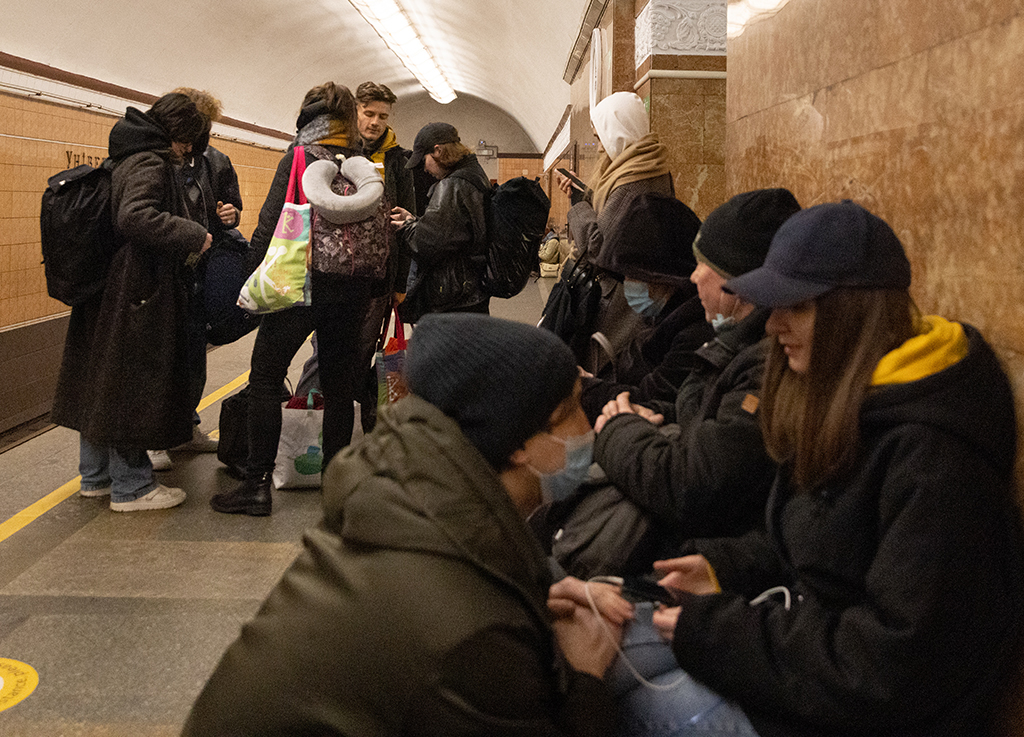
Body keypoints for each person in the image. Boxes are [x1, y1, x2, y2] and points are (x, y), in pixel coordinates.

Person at [616, 201, 1024, 736]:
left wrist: (724, 633)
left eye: (797, 307)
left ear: (853, 311)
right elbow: (820, 541)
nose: (775, 324)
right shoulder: (851, 400)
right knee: (610, 645)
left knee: (631, 702)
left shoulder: (936, 462)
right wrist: (725, 569)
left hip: (867, 713)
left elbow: (889, 668)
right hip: (806, 661)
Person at [182, 314, 634, 736]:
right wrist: (586, 678)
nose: (588, 424)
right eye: (572, 410)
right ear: (518, 442)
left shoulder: (403, 501)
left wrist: (530, 602)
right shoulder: (468, 636)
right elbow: (452, 632)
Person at [553, 189, 801, 576]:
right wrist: (640, 413)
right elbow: (695, 414)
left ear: (744, 281)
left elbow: (692, 485)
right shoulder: (730, 343)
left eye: (708, 265)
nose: (694, 275)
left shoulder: (763, 363)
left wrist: (619, 426)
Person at [210, 82, 388, 517]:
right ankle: (336, 491)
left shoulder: (300, 157)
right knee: (340, 388)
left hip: (299, 286)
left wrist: (250, 280)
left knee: (266, 379)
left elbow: (272, 220)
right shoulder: (363, 164)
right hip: (351, 288)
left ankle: (256, 486)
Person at [50, 93, 212, 511]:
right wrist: (193, 235)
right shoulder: (149, 160)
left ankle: (97, 477)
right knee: (128, 386)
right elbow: (134, 215)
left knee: (100, 381)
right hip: (136, 291)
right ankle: (132, 487)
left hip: (111, 289)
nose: (187, 151)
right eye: (188, 142)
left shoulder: (125, 154)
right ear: (179, 135)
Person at [295, 81, 416, 433]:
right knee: (325, 354)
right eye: (369, 113)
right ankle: (305, 422)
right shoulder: (333, 152)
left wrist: (400, 282)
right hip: (327, 268)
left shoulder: (399, 161)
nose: (376, 122)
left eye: (383, 116)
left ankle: (335, 430)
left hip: (377, 273)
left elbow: (404, 222)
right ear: (354, 113)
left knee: (359, 354)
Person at [146, 87, 245, 472]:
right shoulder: (159, 160)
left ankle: (186, 425)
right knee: (161, 352)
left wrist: (230, 214)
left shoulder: (216, 161)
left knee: (193, 348)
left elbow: (232, 204)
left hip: (202, 266)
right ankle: (154, 437)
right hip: (166, 267)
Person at [551, 91, 674, 368]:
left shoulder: (633, 180)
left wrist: (578, 205)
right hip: (638, 292)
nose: (598, 147)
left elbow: (597, 247)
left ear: (617, 131)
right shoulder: (652, 166)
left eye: (599, 138)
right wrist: (586, 196)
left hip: (619, 300)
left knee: (604, 368)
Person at [577, 192, 712, 422]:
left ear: (665, 277)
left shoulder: (693, 332)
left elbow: (650, 399)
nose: (628, 284)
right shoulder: (666, 316)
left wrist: (585, 387)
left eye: (635, 276)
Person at [391, 122, 491, 323]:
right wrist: (414, 221)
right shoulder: (475, 175)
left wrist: (405, 228)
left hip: (452, 296)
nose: (425, 169)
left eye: (425, 159)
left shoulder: (453, 185)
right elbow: (450, 231)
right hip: (470, 291)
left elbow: (426, 244)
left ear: (438, 151)